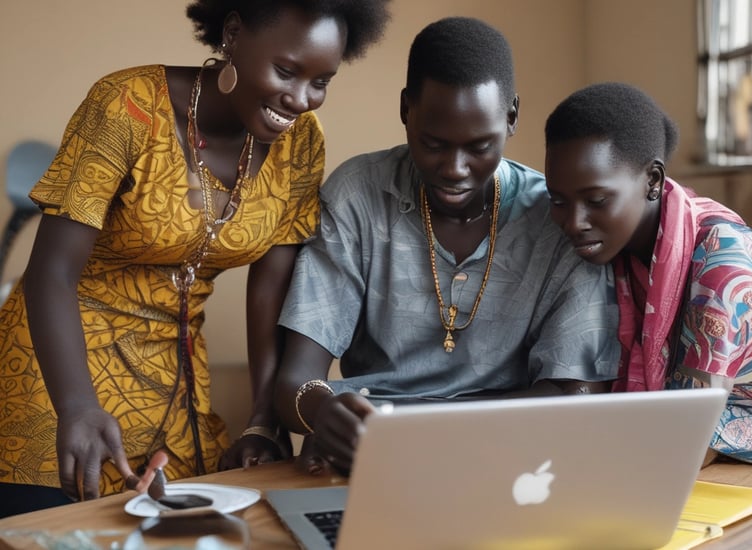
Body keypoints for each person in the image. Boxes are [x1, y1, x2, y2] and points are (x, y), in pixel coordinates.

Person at [0, 0, 391, 517]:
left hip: (173, 379)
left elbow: (271, 290)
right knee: (56, 526)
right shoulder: (127, 105)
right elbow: (51, 271)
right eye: (286, 71)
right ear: (232, 34)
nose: (300, 99)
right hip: (59, 369)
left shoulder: (301, 146)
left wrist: (262, 419)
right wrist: (75, 406)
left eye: (321, 81)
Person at [274, 17, 620, 475]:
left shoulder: (557, 216)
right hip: (371, 455)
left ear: (512, 117)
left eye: (479, 146)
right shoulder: (357, 196)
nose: (455, 168)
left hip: (510, 463)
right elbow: (294, 383)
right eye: (433, 143)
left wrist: (438, 441)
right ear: (405, 110)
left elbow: (577, 392)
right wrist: (322, 413)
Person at [544, 82, 752, 465]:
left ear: (652, 181)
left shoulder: (721, 260)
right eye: (559, 201)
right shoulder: (618, 254)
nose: (574, 222)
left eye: (596, 200)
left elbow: (691, 432)